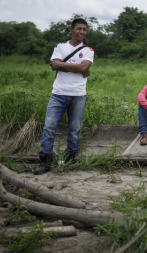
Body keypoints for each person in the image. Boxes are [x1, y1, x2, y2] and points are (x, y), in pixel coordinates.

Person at [34, 18, 94, 175]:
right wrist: (79, 68)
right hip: (58, 94)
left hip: (78, 95)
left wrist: (63, 66)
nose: (82, 32)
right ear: (71, 30)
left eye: (84, 30)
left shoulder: (88, 50)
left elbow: (82, 66)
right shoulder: (60, 47)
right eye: (79, 29)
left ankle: (70, 157)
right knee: (49, 126)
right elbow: (55, 65)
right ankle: (45, 160)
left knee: (74, 129)